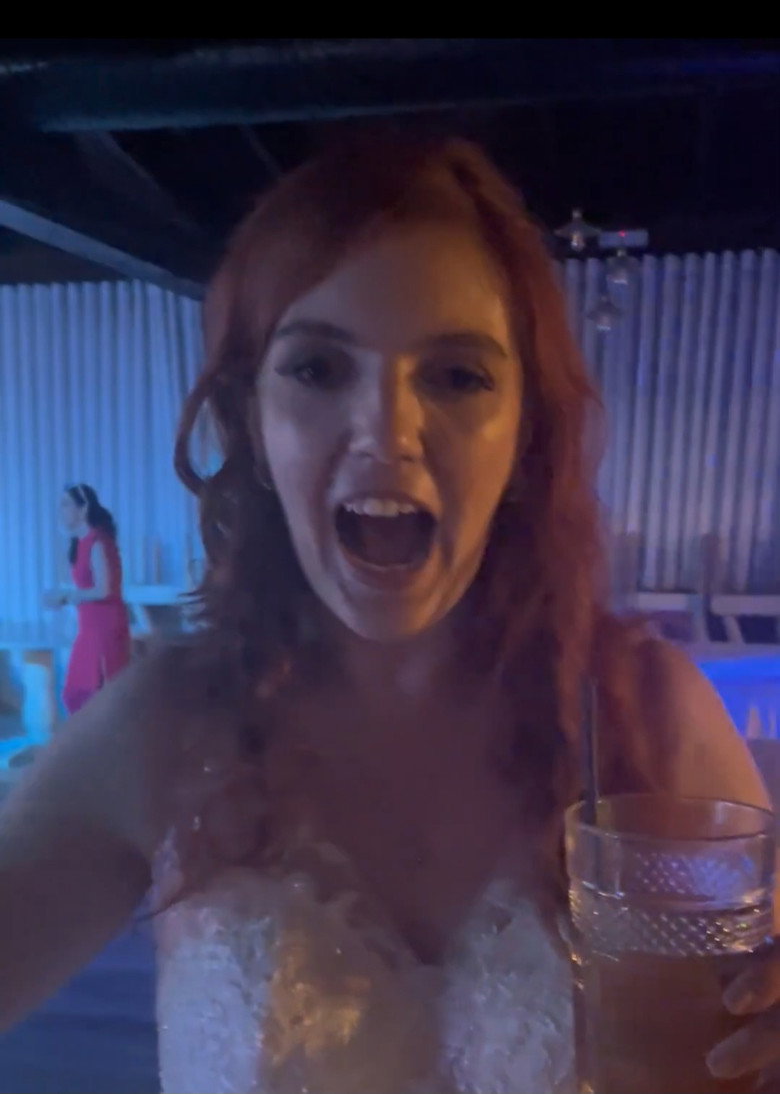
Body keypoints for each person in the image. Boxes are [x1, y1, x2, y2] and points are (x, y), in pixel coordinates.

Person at [2, 134, 779, 1092]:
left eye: (456, 376)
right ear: (252, 421)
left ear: (525, 433)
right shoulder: (167, 728)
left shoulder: (648, 722)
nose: (387, 431)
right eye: (318, 369)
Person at [44, 483, 131, 714]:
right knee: (77, 693)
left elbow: (104, 589)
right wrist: (62, 597)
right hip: (90, 626)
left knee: (96, 693)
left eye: (66, 504)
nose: (61, 510)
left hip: (105, 627)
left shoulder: (98, 542)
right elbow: (87, 588)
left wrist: (68, 596)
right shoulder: (80, 543)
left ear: (83, 509)